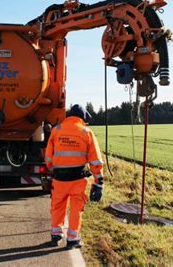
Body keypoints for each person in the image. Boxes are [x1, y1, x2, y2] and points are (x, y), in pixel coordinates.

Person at [44, 104, 104, 249]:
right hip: (78, 179)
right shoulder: (86, 132)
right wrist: (99, 181)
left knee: (58, 205)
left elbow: (48, 157)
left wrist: (53, 170)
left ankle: (56, 234)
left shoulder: (56, 130)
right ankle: (72, 238)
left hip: (59, 178)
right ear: (82, 117)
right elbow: (95, 160)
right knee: (76, 208)